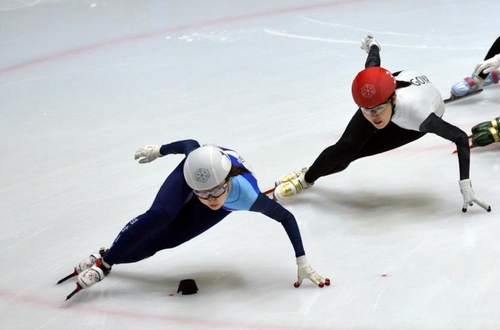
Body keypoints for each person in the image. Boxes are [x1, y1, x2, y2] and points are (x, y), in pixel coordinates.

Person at [58, 140, 329, 300]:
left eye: (217, 191)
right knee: (161, 215)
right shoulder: (197, 171)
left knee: (165, 239)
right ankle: (105, 264)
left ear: (229, 181)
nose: (211, 198)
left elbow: (287, 218)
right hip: (197, 173)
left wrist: (301, 260)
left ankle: (105, 256)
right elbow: (191, 145)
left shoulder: (248, 195)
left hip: (220, 184)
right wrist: (160, 151)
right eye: (204, 194)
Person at [273, 35, 491, 214]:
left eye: (376, 110)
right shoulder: (373, 100)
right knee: (345, 149)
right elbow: (373, 63)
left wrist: (465, 186)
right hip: (391, 93)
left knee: (355, 154)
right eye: (366, 110)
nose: (372, 116)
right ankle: (307, 178)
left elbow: (461, 138)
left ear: (393, 99)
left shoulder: (420, 117)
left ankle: (309, 174)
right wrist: (373, 45)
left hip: (409, 121)